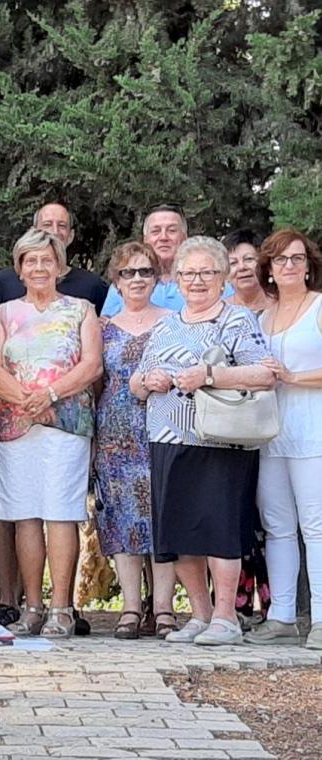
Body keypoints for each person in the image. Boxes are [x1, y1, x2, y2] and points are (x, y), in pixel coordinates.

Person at [131, 236, 274, 646]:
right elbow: (136, 383)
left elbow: (263, 375)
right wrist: (147, 381)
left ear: (222, 277)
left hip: (221, 440)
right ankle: (200, 614)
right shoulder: (166, 325)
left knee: (219, 528)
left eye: (206, 273)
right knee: (178, 530)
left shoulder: (237, 320)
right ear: (175, 279)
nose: (197, 281)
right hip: (167, 437)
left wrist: (208, 376)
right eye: (188, 273)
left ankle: (226, 617)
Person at [0, 202, 106, 631]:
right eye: (30, 260)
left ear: (60, 265)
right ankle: (31, 608)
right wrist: (24, 398)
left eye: (47, 259)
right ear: (19, 269)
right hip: (16, 426)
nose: (39, 266)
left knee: (60, 512)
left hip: (66, 424)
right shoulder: (4, 313)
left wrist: (51, 394)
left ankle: (61, 609)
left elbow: (91, 364)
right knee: (24, 513)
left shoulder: (81, 310)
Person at [246, 229, 322, 650]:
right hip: (271, 432)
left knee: (317, 527)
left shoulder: (319, 308)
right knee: (277, 527)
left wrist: (292, 377)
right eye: (280, 260)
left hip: (313, 428)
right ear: (269, 270)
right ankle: (281, 617)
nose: (289, 266)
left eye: (297, 258)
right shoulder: (262, 317)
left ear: (309, 265)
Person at [94, 242, 173, 639]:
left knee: (162, 515)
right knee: (123, 517)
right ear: (117, 281)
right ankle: (129, 607)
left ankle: (162, 608)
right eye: (129, 273)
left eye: (145, 272)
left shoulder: (174, 321)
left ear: (157, 278)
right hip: (115, 434)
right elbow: (95, 381)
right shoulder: (103, 328)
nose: (137, 279)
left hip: (163, 429)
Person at [223, 228, 273, 627]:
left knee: (271, 518)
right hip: (232, 428)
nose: (241, 267)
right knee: (237, 517)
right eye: (232, 261)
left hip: (276, 426)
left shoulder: (280, 308)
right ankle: (236, 605)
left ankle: (277, 606)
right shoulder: (219, 312)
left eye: (247, 258)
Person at [0, 203, 108, 313]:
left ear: (71, 236)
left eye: (62, 225)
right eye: (47, 224)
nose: (54, 231)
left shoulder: (92, 285)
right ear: (33, 231)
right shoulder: (2, 282)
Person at [102, 204, 189, 316]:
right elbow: (106, 325)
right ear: (145, 239)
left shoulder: (199, 281)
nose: (163, 237)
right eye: (155, 231)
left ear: (185, 237)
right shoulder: (125, 283)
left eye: (172, 230)